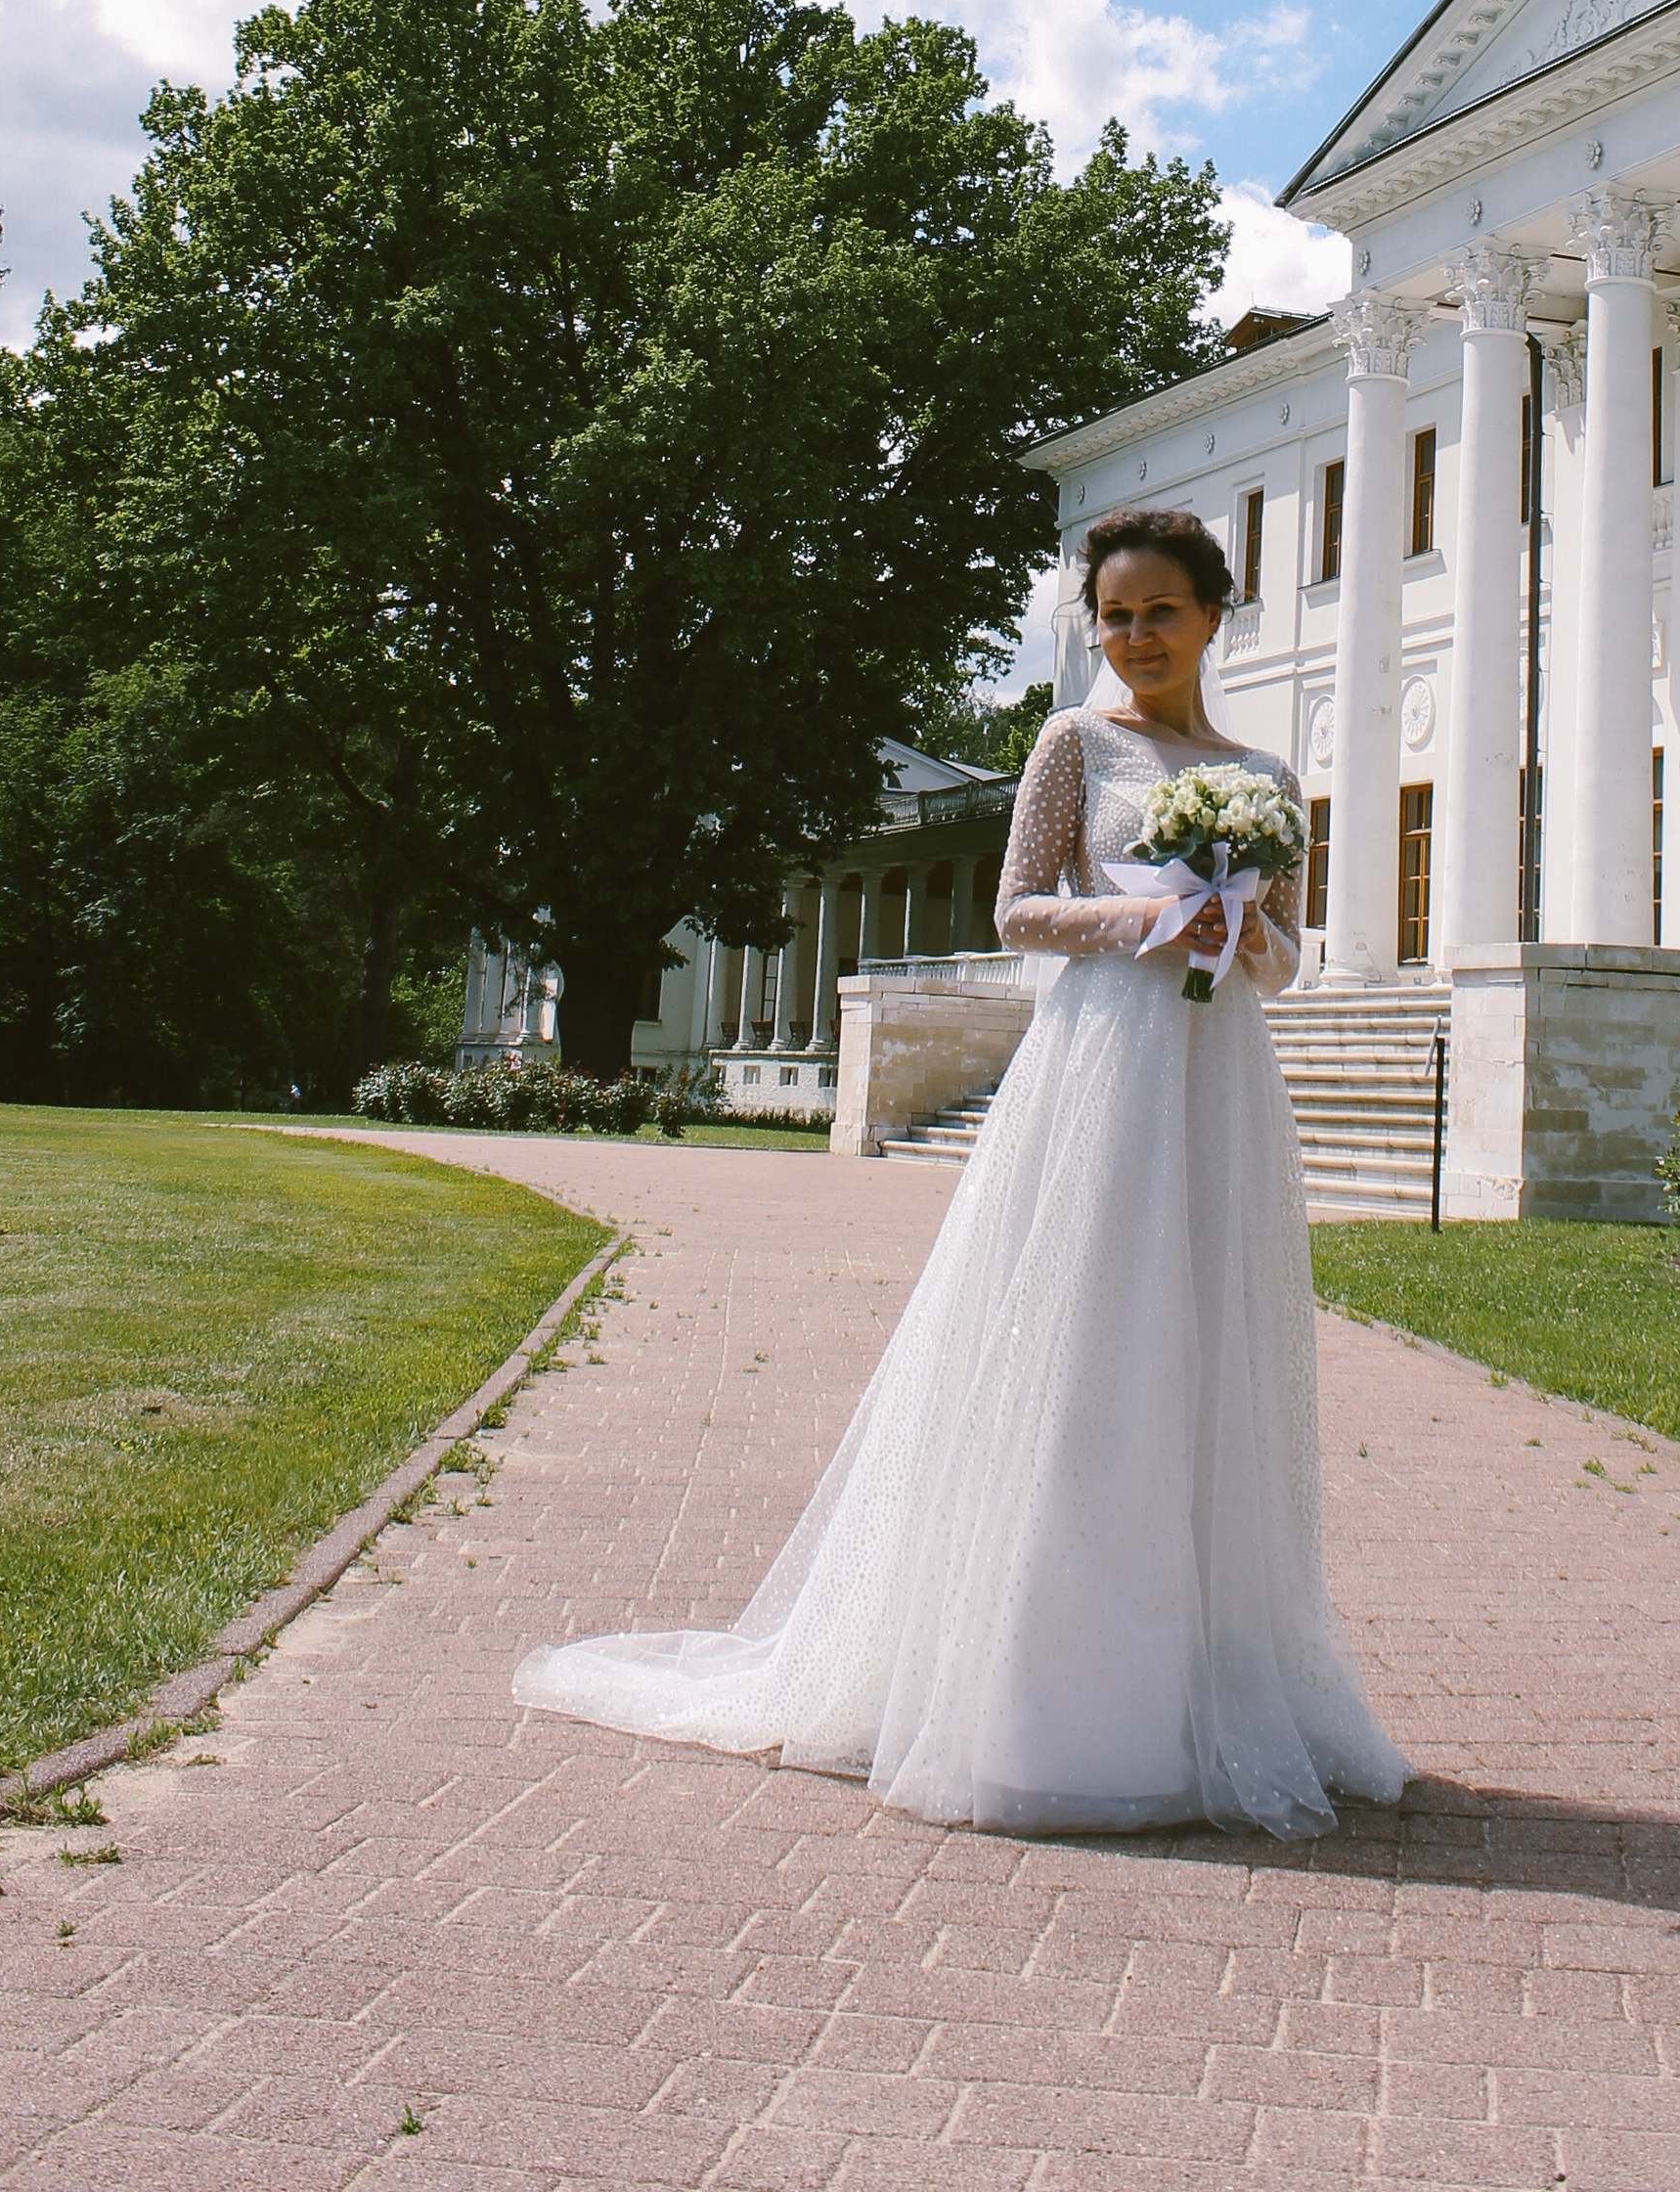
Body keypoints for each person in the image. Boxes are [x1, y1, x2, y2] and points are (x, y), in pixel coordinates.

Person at [512, 504, 1408, 1838]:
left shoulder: (1268, 780)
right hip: (1099, 1069)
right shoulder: (1074, 742)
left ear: (1216, 616)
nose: (1137, 635)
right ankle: (1041, 1696)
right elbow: (1016, 906)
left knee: (1204, 1352)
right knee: (1080, 1347)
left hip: (1219, 1088)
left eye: (1161, 611)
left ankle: (1202, 1681)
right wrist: (1145, 917)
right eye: (1114, 615)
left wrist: (1235, 931)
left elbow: (1284, 955)